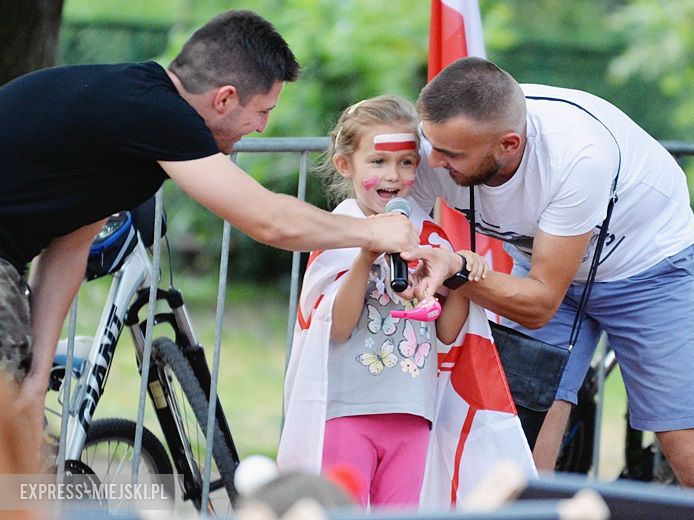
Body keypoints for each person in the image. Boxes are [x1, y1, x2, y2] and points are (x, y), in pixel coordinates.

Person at [0, 10, 419, 468]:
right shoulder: (158, 114)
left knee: (18, 451)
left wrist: (38, 373)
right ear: (225, 99)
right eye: (263, 111)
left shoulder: (126, 115)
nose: (261, 127)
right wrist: (369, 230)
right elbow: (269, 220)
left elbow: (71, 244)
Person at [403, 56, 694, 497]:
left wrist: (453, 269)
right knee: (519, 452)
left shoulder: (576, 155)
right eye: (431, 143)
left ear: (509, 145)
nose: (432, 161)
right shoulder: (434, 144)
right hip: (541, 265)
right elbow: (393, 229)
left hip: (648, 271)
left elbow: (539, 304)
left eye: (451, 154)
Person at [277, 95, 535, 509]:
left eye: (406, 163)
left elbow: (447, 334)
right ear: (346, 165)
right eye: (377, 162)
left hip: (414, 414)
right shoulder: (337, 234)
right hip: (348, 412)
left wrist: (462, 273)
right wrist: (366, 250)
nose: (392, 176)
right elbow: (336, 327)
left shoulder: (431, 237)